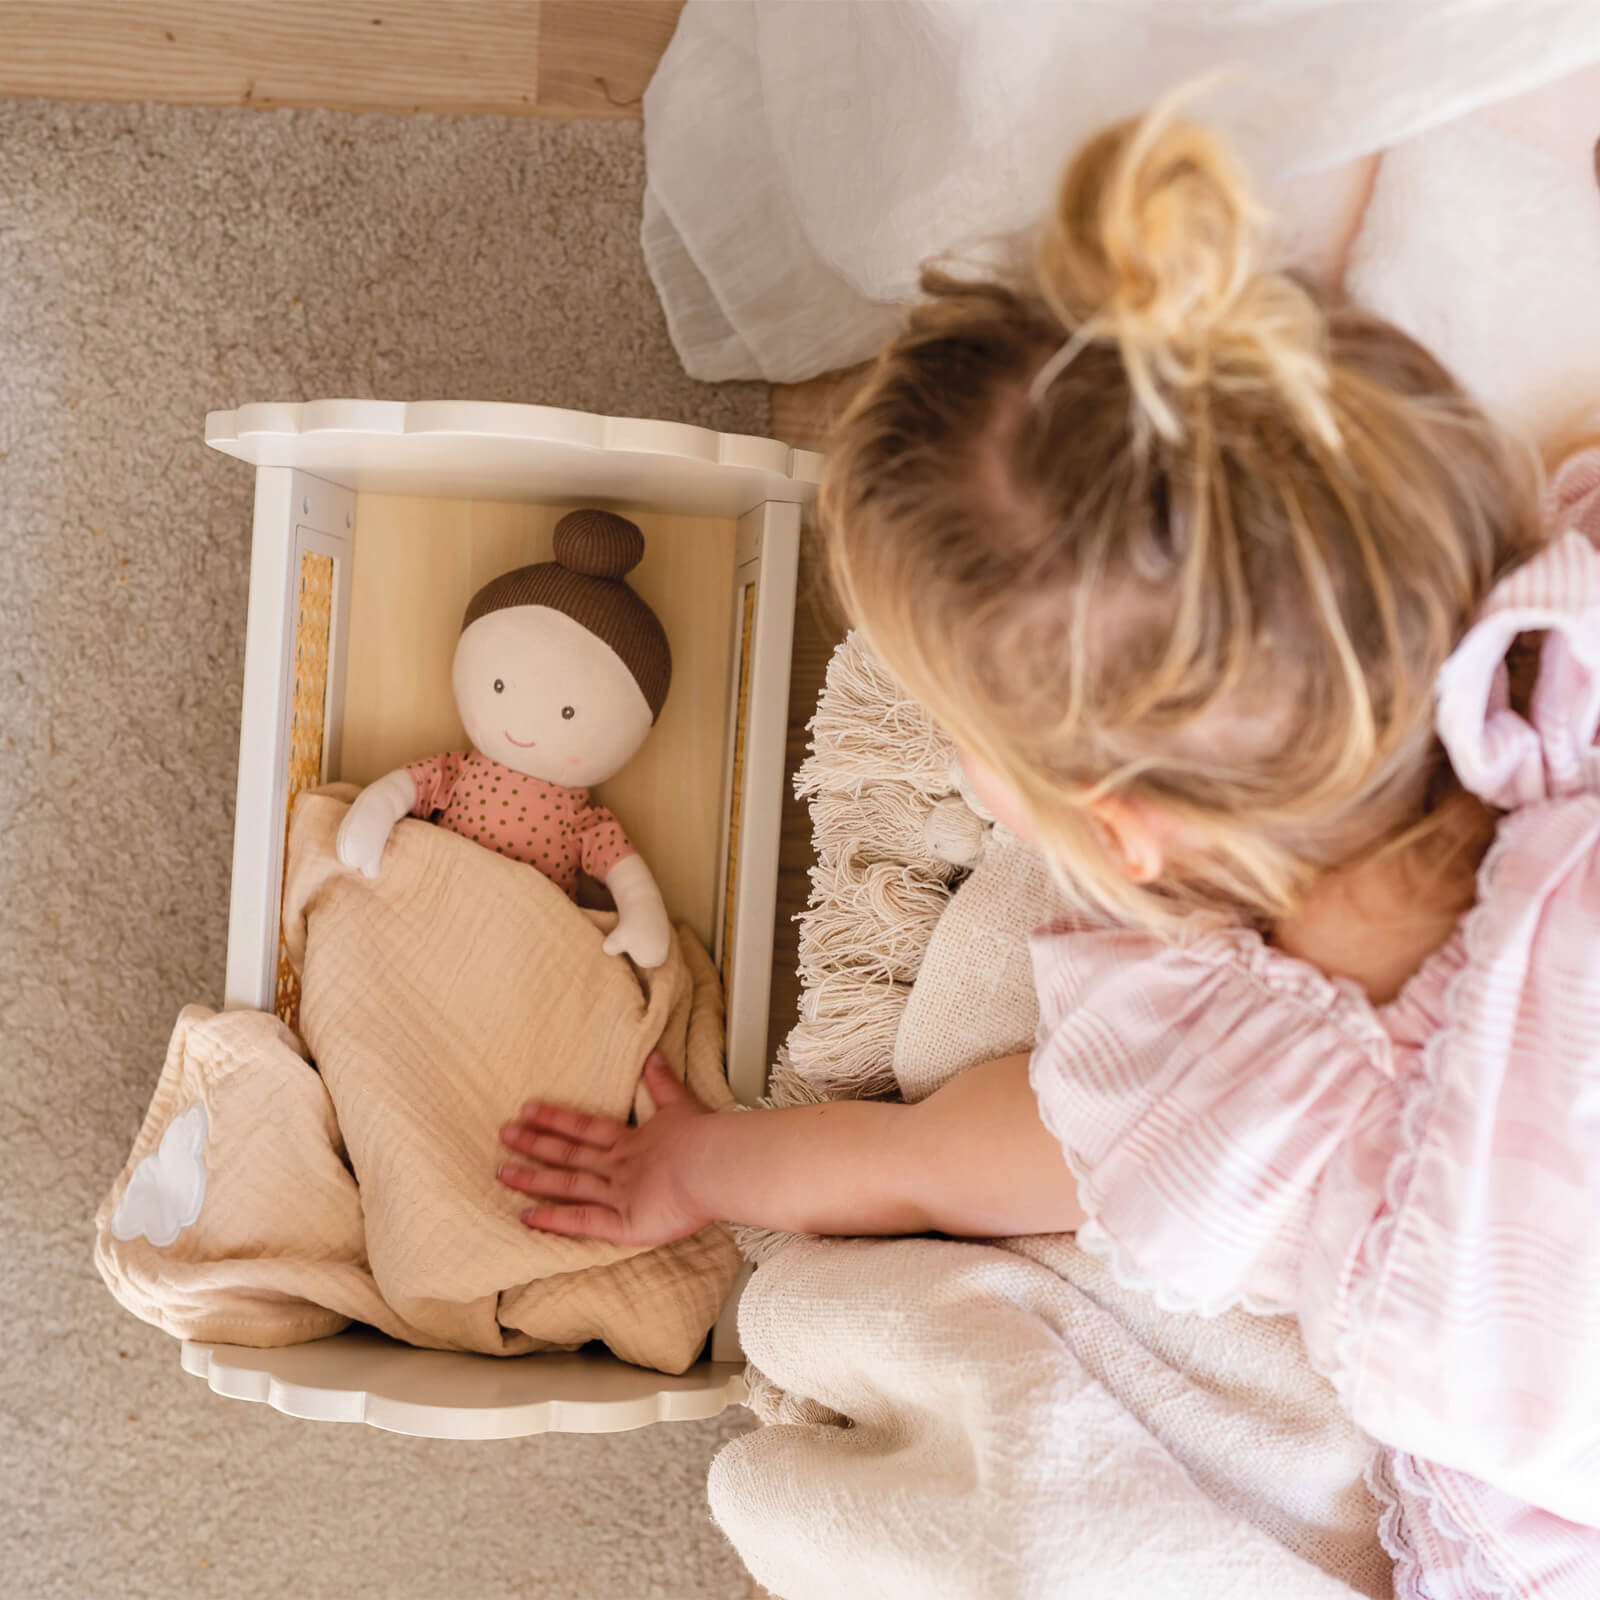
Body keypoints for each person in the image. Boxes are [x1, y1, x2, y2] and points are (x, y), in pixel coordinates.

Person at [497, 99, 1600, 1596]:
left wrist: (696, 1166)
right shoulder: (1574, 622)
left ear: (1122, 837)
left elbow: (922, 1167)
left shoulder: (1243, 1090)